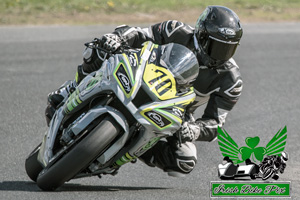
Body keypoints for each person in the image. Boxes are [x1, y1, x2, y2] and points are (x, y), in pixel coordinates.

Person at [46, 5, 243, 177]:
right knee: (97, 50)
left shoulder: (231, 80)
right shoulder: (176, 30)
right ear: (201, 34)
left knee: (184, 160)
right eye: (216, 46)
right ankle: (74, 88)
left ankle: (133, 148)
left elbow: (216, 123)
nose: (220, 55)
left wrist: (194, 130)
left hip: (174, 110)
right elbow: (140, 34)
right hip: (139, 76)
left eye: (228, 49)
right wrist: (116, 37)